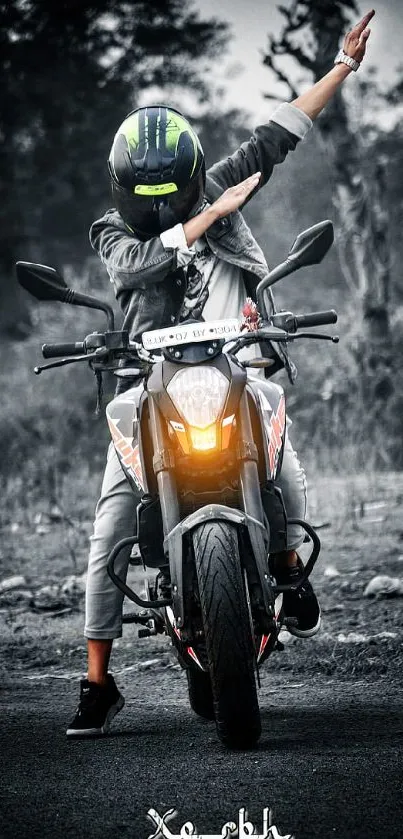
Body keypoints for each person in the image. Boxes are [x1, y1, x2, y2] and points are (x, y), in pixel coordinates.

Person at [67, 10, 375, 736]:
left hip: (234, 371)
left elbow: (279, 134)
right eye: (156, 203)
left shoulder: (219, 180)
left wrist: (340, 66)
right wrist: (207, 219)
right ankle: (96, 679)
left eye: (179, 194)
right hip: (150, 390)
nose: (169, 206)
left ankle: (289, 564)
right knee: (109, 525)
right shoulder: (114, 232)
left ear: (188, 174)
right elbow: (135, 265)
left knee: (282, 454)